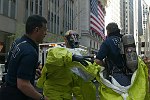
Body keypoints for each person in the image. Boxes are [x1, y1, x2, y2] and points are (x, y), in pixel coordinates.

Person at [37, 30, 96, 100]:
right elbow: (56, 57)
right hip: (53, 93)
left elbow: (81, 83)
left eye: (76, 37)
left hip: (66, 93)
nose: (74, 40)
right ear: (65, 39)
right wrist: (72, 57)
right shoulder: (56, 50)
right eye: (71, 37)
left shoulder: (78, 54)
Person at [0, 15, 48, 100]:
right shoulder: (30, 52)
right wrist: (42, 98)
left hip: (5, 90)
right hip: (16, 96)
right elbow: (23, 85)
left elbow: (12, 65)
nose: (45, 33)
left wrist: (31, 71)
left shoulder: (18, 42)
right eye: (44, 30)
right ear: (36, 30)